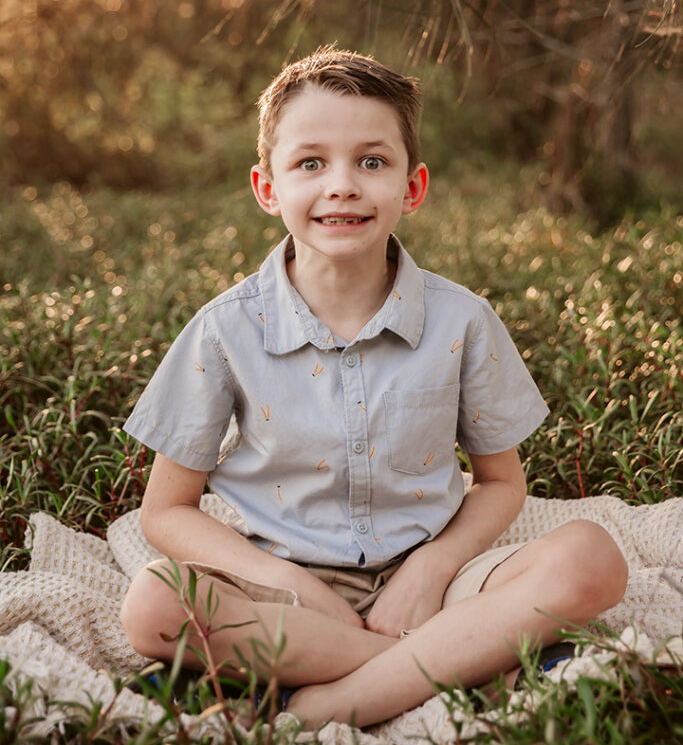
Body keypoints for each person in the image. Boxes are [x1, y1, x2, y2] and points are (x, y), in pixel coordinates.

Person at [120, 47, 627, 729]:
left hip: (438, 584)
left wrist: (428, 571)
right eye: (309, 163)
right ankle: (458, 665)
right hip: (285, 594)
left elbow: (501, 483)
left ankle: (320, 704)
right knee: (153, 604)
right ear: (266, 187)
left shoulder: (461, 320)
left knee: (590, 557)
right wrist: (290, 583)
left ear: (411, 188)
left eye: (371, 161)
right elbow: (166, 513)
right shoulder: (223, 331)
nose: (342, 185)